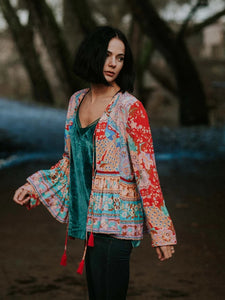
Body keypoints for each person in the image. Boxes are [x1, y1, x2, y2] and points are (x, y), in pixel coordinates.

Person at [13, 26, 177, 300]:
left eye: (121, 57)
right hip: (91, 221)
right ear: (92, 54)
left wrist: (162, 234)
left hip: (118, 224)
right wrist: (35, 187)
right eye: (107, 55)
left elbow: (147, 173)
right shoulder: (76, 101)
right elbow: (69, 161)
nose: (114, 63)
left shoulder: (130, 108)